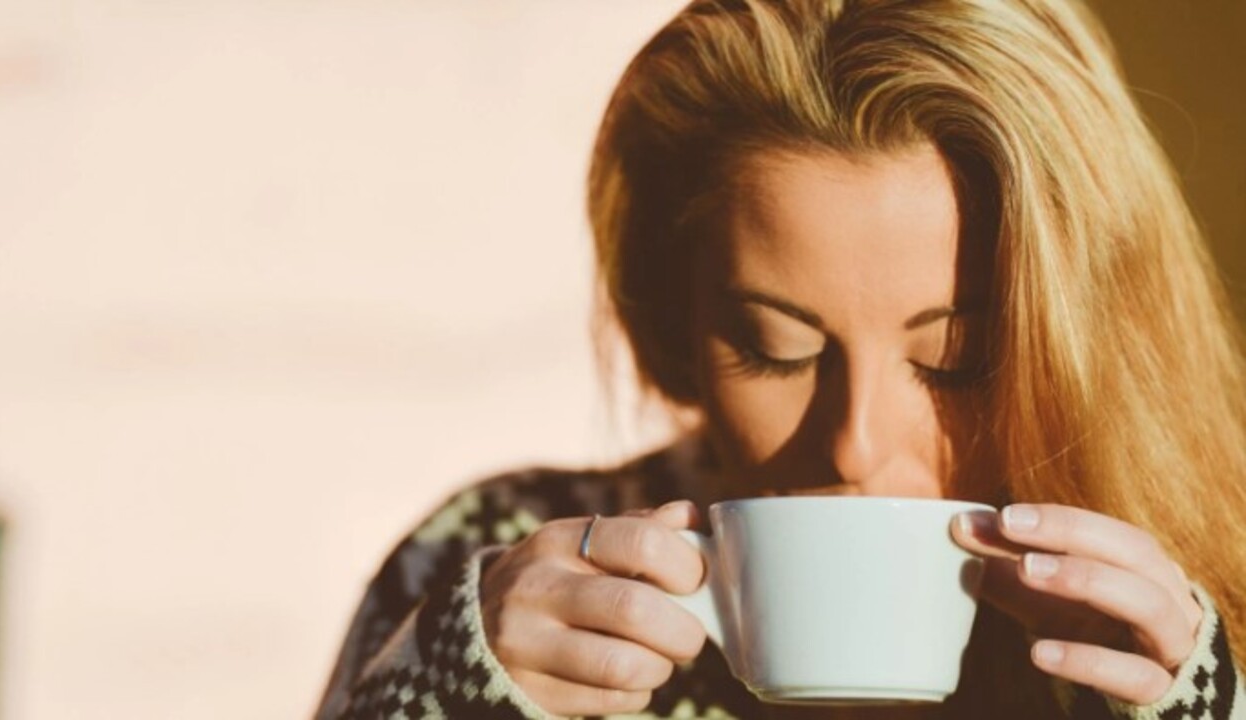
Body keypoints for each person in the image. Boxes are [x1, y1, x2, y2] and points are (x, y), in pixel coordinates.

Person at [315, 0, 1246, 717]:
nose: (853, 444)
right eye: (777, 349)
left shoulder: (1202, 605)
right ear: (675, 316)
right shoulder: (494, 551)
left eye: (956, 360)